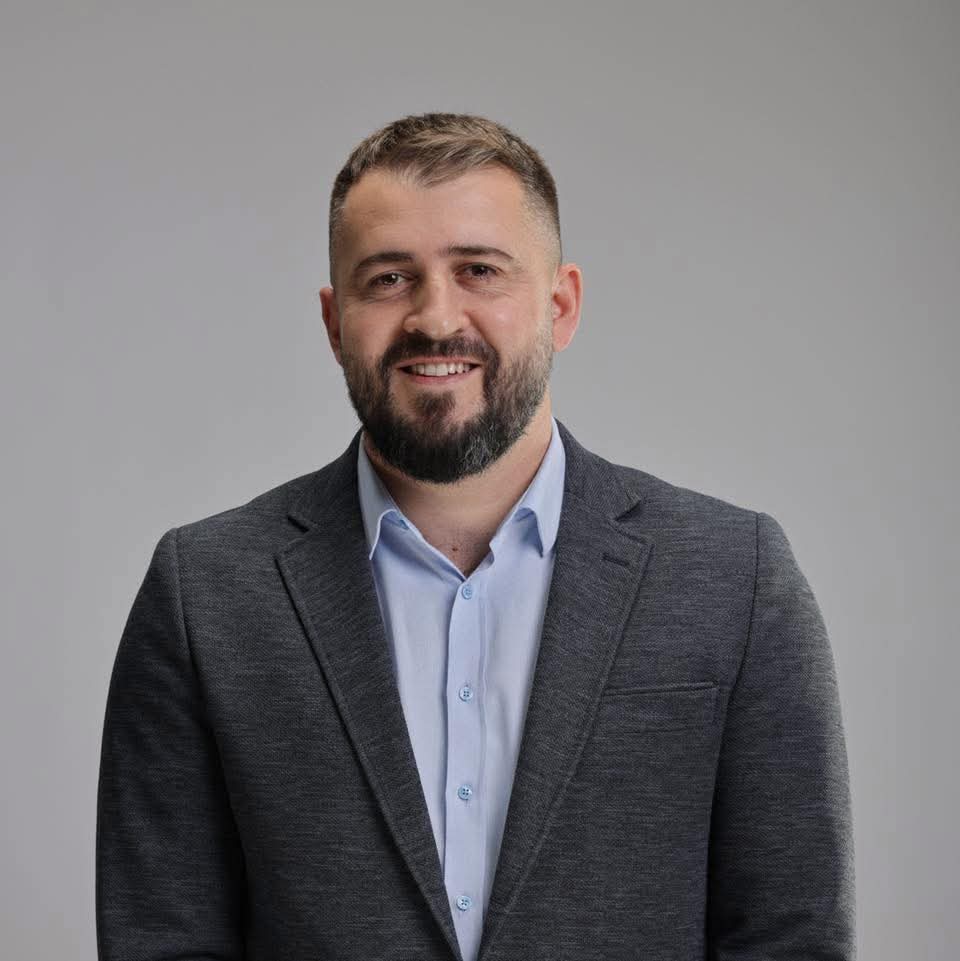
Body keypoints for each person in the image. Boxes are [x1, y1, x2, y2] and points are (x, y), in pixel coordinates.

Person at [96, 112, 856, 961]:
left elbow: (794, 940)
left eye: (479, 270)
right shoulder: (206, 593)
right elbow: (162, 941)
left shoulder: (734, 578)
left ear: (561, 305)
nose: (434, 317)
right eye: (389, 278)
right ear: (335, 322)